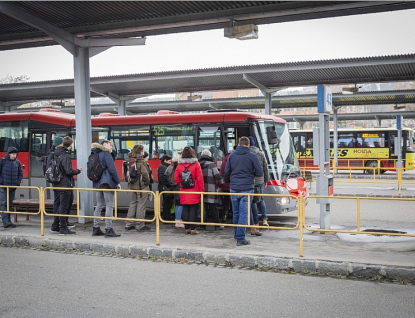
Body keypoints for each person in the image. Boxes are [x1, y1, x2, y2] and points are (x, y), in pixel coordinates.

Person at [225, 136, 263, 246]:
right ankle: (241, 238)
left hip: (234, 188)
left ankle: (237, 234)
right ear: (248, 145)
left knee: (236, 212)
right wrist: (250, 174)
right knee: (244, 214)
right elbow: (259, 172)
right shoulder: (252, 156)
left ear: (238, 143)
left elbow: (227, 171)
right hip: (247, 188)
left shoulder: (232, 155)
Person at [48, 136, 82, 235]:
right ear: (70, 145)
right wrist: (78, 171)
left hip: (56, 183)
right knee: (63, 206)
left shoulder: (53, 154)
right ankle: (63, 228)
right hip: (64, 184)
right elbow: (68, 171)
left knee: (58, 205)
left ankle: (55, 226)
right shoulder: (64, 155)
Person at [91, 140, 122, 237]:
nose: (111, 147)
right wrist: (118, 182)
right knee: (109, 205)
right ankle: (108, 229)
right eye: (110, 145)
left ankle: (95, 228)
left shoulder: (96, 154)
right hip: (107, 182)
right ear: (104, 145)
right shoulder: (106, 154)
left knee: (99, 205)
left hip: (98, 182)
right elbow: (112, 169)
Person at [174, 146, 204, 235]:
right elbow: (200, 178)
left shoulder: (179, 165)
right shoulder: (196, 164)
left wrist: (182, 184)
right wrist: (202, 190)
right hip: (194, 190)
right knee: (193, 209)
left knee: (185, 209)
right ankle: (193, 228)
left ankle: (187, 228)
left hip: (183, 190)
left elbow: (176, 178)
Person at [125, 144, 151, 231]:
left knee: (133, 203)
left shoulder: (130, 160)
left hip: (133, 185)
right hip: (141, 186)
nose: (143, 152)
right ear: (140, 151)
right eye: (143, 150)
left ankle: (128, 224)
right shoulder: (141, 161)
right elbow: (145, 174)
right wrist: (146, 183)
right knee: (141, 205)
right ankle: (140, 225)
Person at [199, 149, 224, 230]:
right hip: (211, 189)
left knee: (204, 208)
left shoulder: (198, 164)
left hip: (201, 189)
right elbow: (217, 176)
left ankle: (203, 224)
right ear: (209, 156)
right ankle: (217, 224)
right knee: (213, 207)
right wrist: (222, 182)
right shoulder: (212, 165)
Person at [248, 136, 270, 230]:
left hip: (250, 181)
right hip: (260, 181)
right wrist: (266, 180)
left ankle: (256, 222)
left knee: (253, 201)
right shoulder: (260, 153)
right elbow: (265, 167)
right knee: (261, 199)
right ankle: (264, 219)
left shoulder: (247, 153)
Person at [0, 146, 23, 228]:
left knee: (9, 204)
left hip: (12, 187)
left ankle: (9, 220)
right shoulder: (2, 161)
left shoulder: (17, 163)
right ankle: (5, 221)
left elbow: (20, 174)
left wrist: (17, 183)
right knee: (3, 203)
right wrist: (1, 182)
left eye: (15, 154)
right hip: (3, 187)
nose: (14, 156)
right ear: (9, 154)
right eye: (13, 154)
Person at [164, 156, 184, 228]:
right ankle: (178, 219)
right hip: (178, 186)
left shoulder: (169, 167)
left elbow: (165, 176)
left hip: (173, 186)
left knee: (176, 203)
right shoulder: (178, 168)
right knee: (180, 203)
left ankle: (177, 218)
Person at [157, 154, 173, 221]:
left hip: (164, 187)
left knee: (167, 203)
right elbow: (162, 178)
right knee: (167, 203)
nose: (170, 163)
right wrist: (169, 183)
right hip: (165, 187)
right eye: (169, 161)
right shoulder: (163, 167)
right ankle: (166, 217)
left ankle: (166, 217)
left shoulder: (163, 166)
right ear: (165, 160)